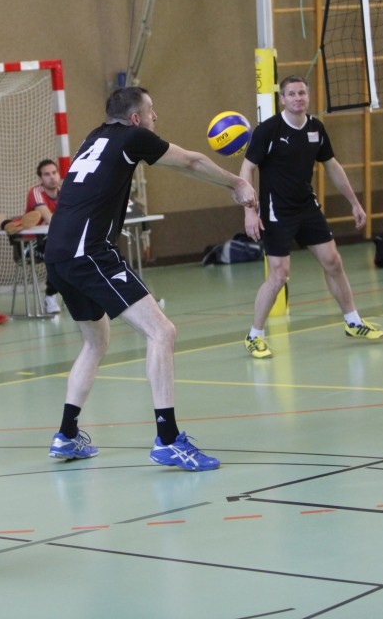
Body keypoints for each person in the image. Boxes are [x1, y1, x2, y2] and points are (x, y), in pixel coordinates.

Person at [42, 86, 256, 471]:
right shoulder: (133, 137)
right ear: (135, 118)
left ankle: (67, 434)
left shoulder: (95, 137)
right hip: (89, 253)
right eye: (151, 110)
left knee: (96, 341)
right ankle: (168, 440)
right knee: (162, 332)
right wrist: (237, 183)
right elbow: (190, 162)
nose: (156, 117)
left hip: (58, 253)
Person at [240, 75, 383, 360]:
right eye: (292, 94)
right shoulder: (268, 130)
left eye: (302, 93)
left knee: (333, 261)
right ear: (282, 99)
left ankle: (353, 322)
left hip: (306, 206)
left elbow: (332, 165)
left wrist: (354, 202)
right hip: (276, 210)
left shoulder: (316, 128)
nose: (298, 98)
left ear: (308, 96)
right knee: (279, 275)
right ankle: (254, 336)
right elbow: (246, 169)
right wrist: (250, 210)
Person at [25, 159, 62, 314]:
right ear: (40, 178)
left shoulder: (65, 191)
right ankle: (50, 296)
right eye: (47, 174)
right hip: (34, 244)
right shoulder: (36, 192)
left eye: (54, 173)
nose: (52, 177)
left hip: (59, 240)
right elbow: (50, 220)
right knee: (59, 253)